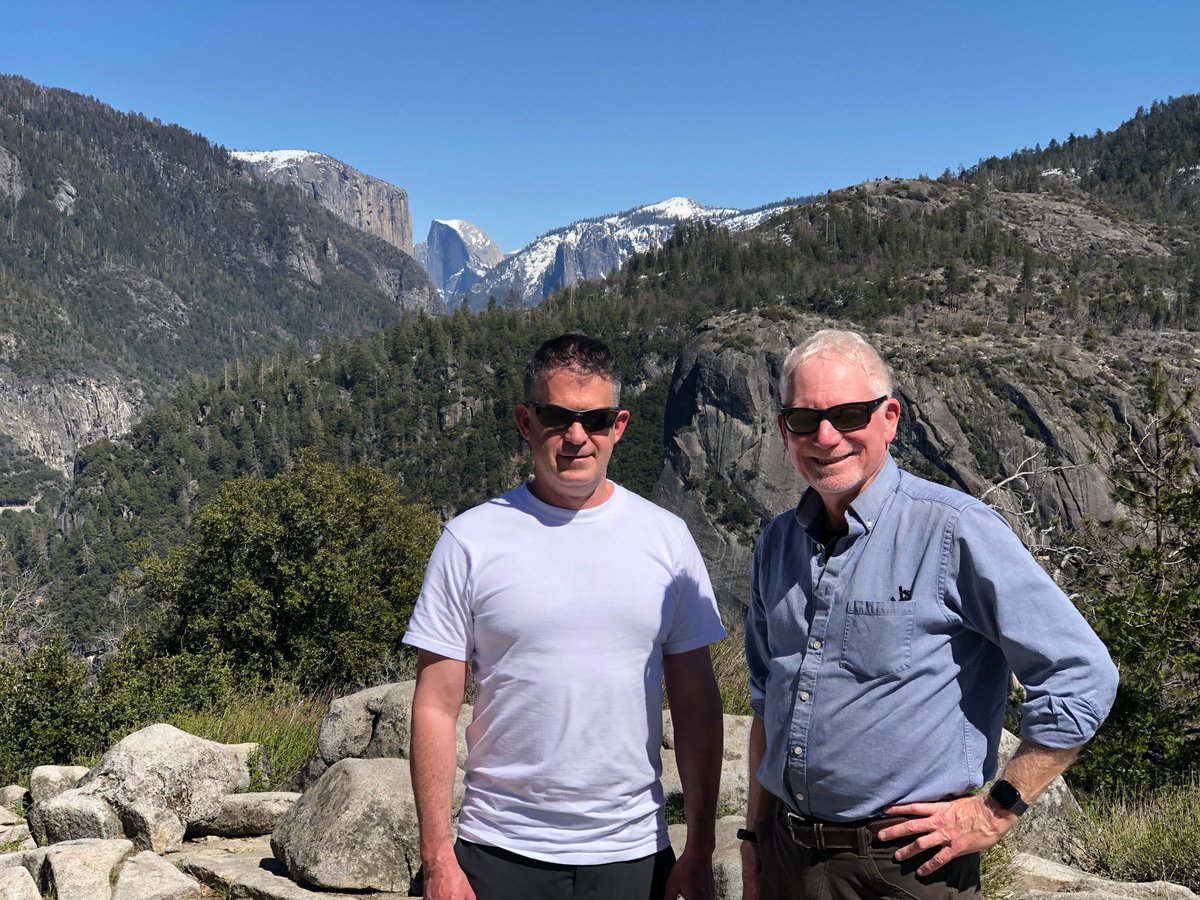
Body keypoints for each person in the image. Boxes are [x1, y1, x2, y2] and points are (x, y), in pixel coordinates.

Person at [741, 328, 1118, 900]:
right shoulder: (776, 544)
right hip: (786, 858)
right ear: (783, 430)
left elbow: (1083, 673)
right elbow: (768, 698)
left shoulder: (953, 530)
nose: (826, 436)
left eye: (849, 415)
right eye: (803, 420)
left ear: (890, 418)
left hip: (904, 871)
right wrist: (754, 841)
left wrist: (994, 813)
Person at [405, 333, 727, 900]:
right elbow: (435, 702)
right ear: (526, 421)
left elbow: (698, 701)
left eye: (595, 419)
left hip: (633, 853)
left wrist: (699, 848)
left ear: (619, 425)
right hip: (499, 851)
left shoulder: (667, 539)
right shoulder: (470, 540)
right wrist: (437, 859)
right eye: (557, 417)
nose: (577, 437)